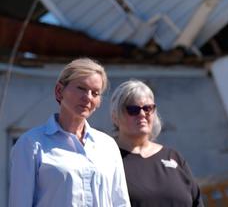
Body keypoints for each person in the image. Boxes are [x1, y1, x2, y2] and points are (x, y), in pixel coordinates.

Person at [9, 58, 130, 206]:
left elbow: (120, 203)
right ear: (59, 91)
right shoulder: (31, 144)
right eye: (81, 88)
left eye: (95, 93)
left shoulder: (108, 146)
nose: (88, 98)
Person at [110, 79, 203, 207]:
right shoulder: (108, 159)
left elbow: (197, 202)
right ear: (115, 116)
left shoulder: (173, 157)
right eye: (133, 109)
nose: (142, 114)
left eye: (148, 108)